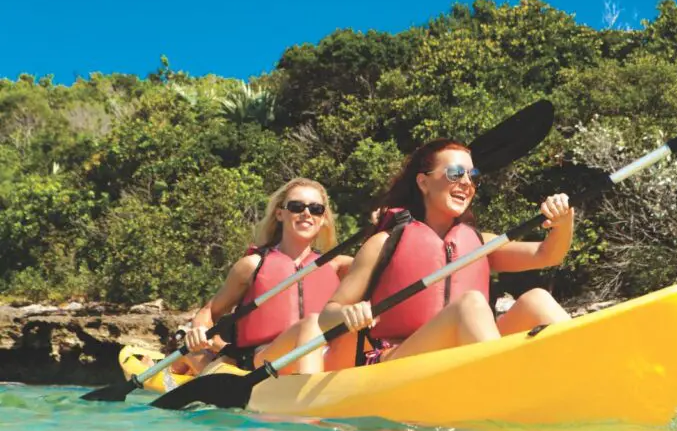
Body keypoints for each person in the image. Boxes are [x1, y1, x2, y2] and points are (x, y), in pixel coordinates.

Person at [298, 138, 573, 372]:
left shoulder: (479, 242)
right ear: (423, 182)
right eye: (455, 173)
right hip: (397, 362)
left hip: (468, 355)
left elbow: (547, 254)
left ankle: (586, 374)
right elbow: (327, 316)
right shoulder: (384, 243)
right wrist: (349, 314)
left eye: (472, 176)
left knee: (537, 300)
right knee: (471, 305)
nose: (466, 183)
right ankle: (502, 390)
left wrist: (563, 221)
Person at [178, 177, 355, 375]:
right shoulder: (253, 265)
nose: (306, 213)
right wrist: (199, 330)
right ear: (280, 213)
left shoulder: (337, 265)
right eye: (297, 206)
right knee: (311, 324)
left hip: (320, 357)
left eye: (316, 209)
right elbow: (210, 311)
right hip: (261, 359)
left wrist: (383, 222)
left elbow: (381, 260)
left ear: (323, 219)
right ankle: (194, 359)